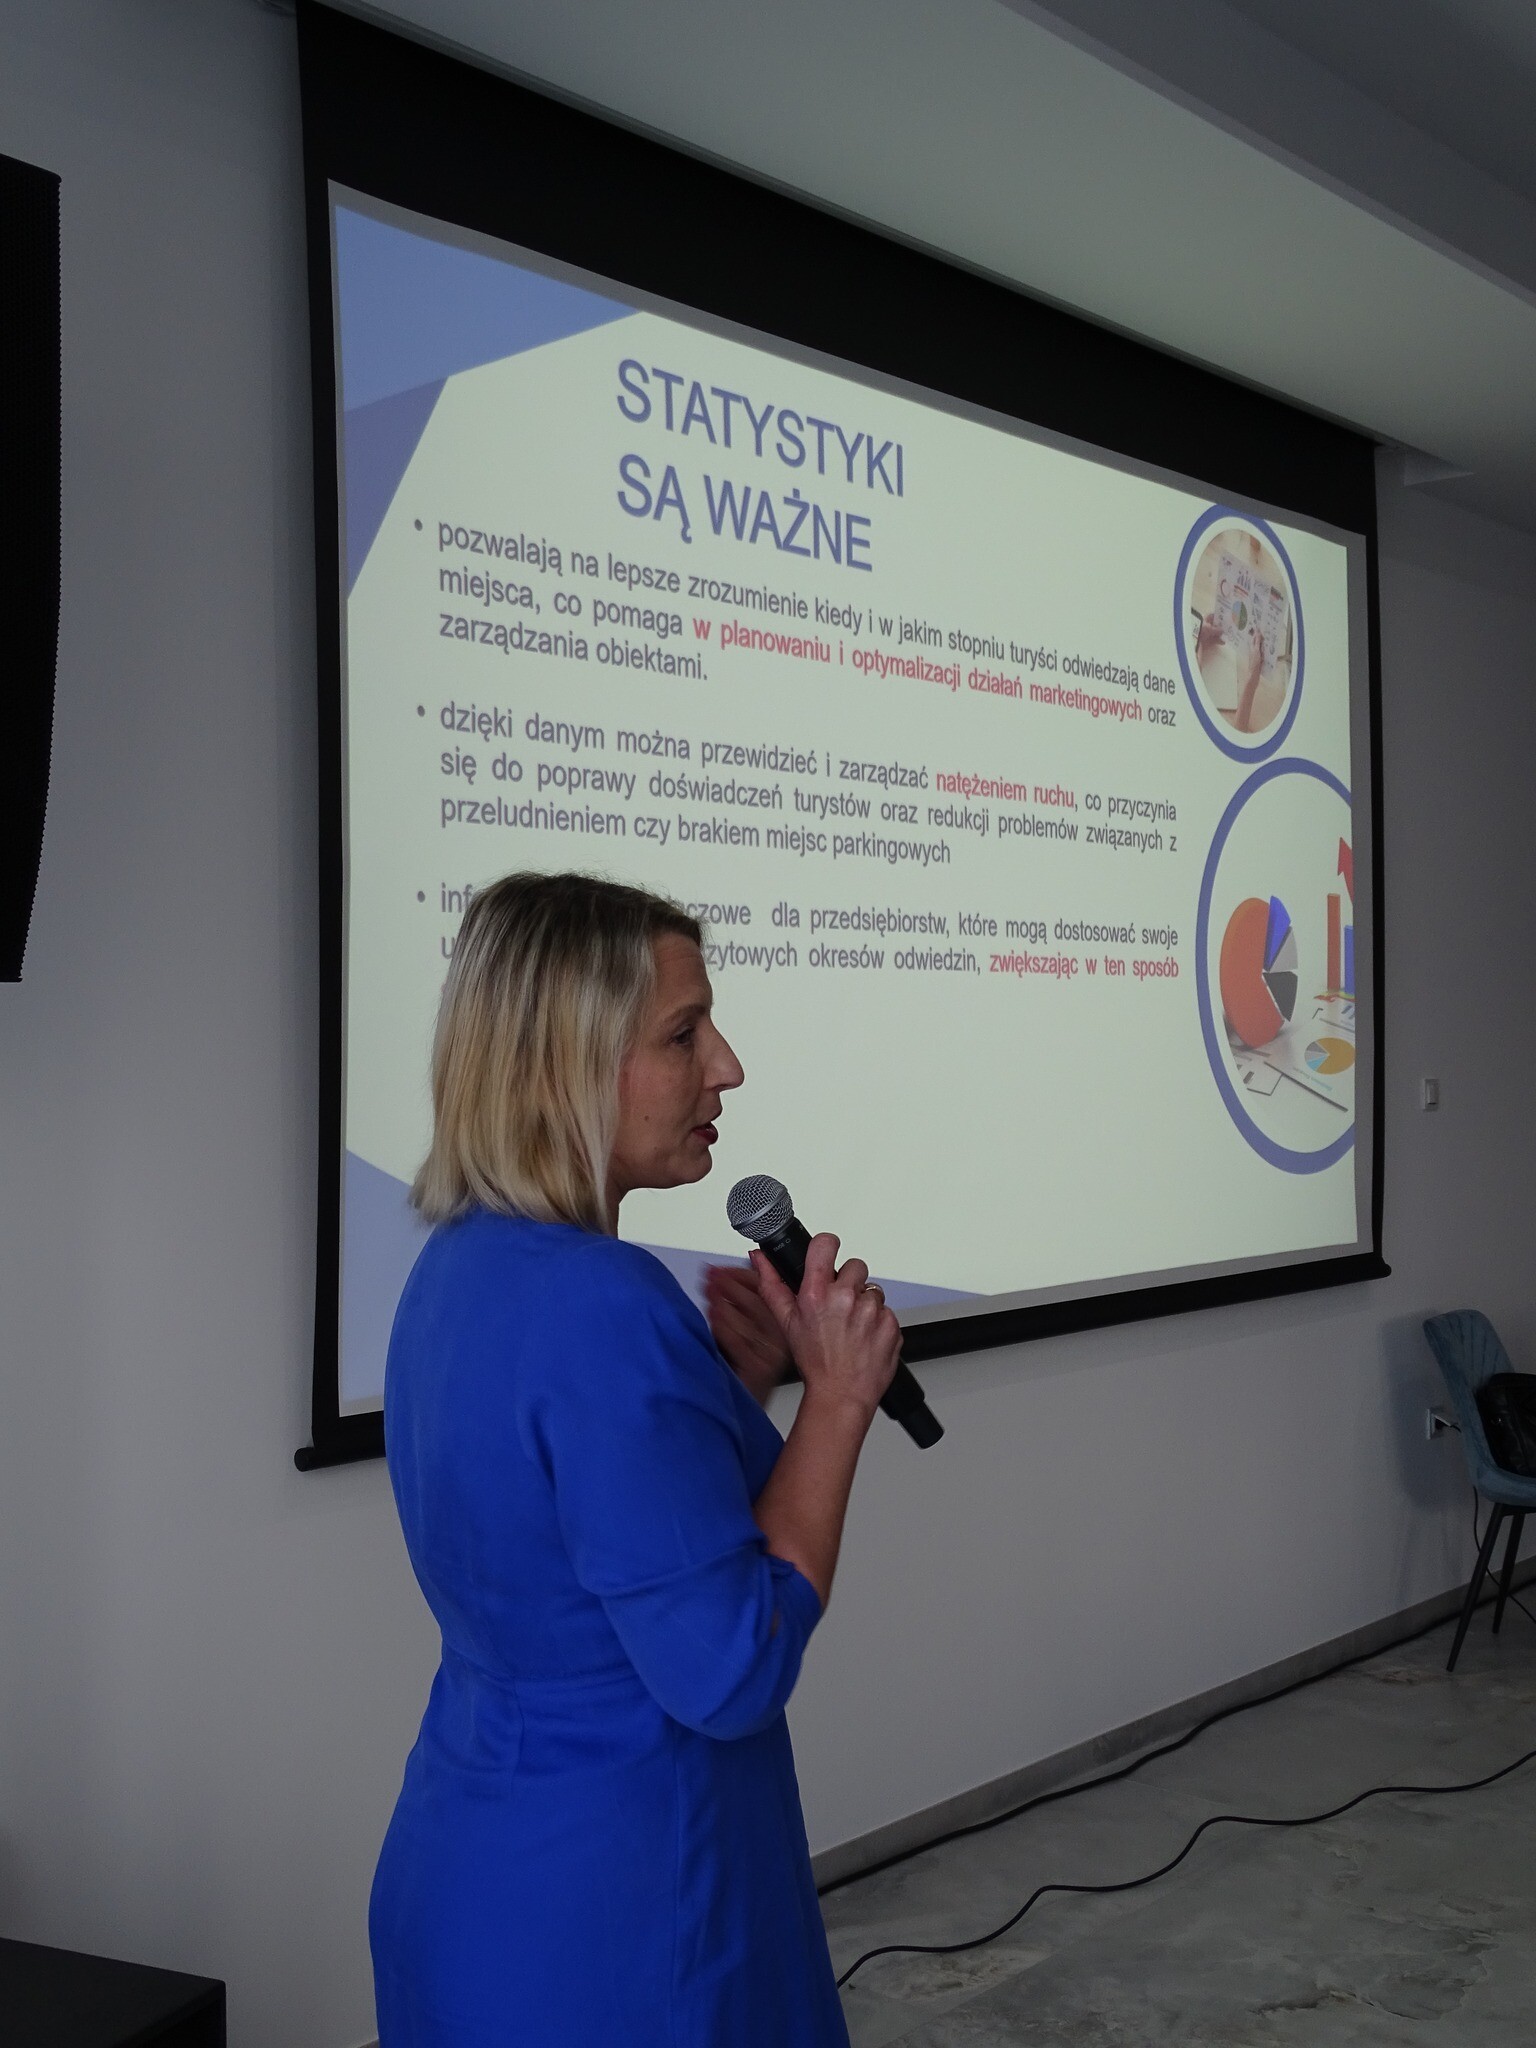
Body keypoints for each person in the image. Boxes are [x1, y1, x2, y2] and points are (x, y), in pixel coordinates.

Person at [369, 871, 902, 2047]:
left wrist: (736, 1386)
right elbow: (730, 1666)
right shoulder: (601, 1302)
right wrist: (837, 1403)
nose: (727, 1066)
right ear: (562, 1062)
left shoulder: (456, 1268)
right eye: (683, 1033)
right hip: (626, 1912)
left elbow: (583, 1534)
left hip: (479, 1864)